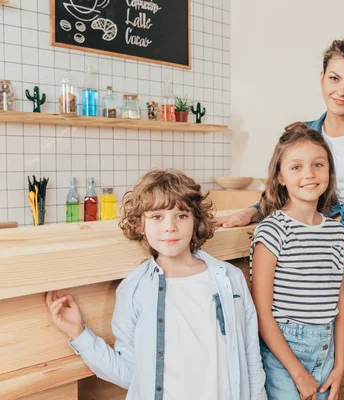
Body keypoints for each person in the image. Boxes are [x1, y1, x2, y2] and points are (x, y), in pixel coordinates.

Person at [217, 37, 344, 400]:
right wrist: (252, 211)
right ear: (322, 78)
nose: (341, 91)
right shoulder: (308, 134)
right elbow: (289, 181)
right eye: (334, 78)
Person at [46, 169, 266, 400]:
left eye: (181, 215)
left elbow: (251, 358)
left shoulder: (229, 279)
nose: (169, 226)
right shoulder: (134, 290)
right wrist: (79, 334)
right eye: (157, 217)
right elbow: (130, 373)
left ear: (196, 220)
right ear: (140, 224)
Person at [251, 122, 344, 400]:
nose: (309, 174)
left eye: (318, 165)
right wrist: (298, 373)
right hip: (283, 354)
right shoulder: (272, 230)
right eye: (296, 167)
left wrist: (339, 365)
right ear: (280, 176)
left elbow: (339, 302)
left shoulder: (337, 231)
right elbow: (262, 313)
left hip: (326, 350)